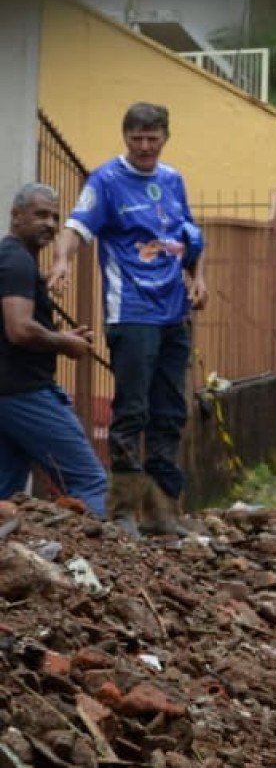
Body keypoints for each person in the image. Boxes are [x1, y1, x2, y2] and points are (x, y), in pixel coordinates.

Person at [48, 101, 206, 533]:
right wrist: (62, 261)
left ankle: (163, 514)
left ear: (165, 138)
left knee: (170, 411)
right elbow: (76, 228)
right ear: (125, 138)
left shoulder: (173, 180)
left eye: (152, 138)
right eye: (136, 138)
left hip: (175, 311)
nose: (144, 146)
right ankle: (122, 513)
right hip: (131, 311)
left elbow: (189, 237)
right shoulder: (106, 180)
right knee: (132, 410)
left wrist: (199, 280)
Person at [0, 183, 108, 516]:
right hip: (26, 393)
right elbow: (18, 329)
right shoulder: (17, 260)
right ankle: (95, 566)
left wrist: (58, 335)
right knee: (89, 481)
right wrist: (65, 343)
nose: (49, 224)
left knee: (7, 492)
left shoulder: (13, 258)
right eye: (40, 215)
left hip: (9, 395)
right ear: (16, 216)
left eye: (55, 218)